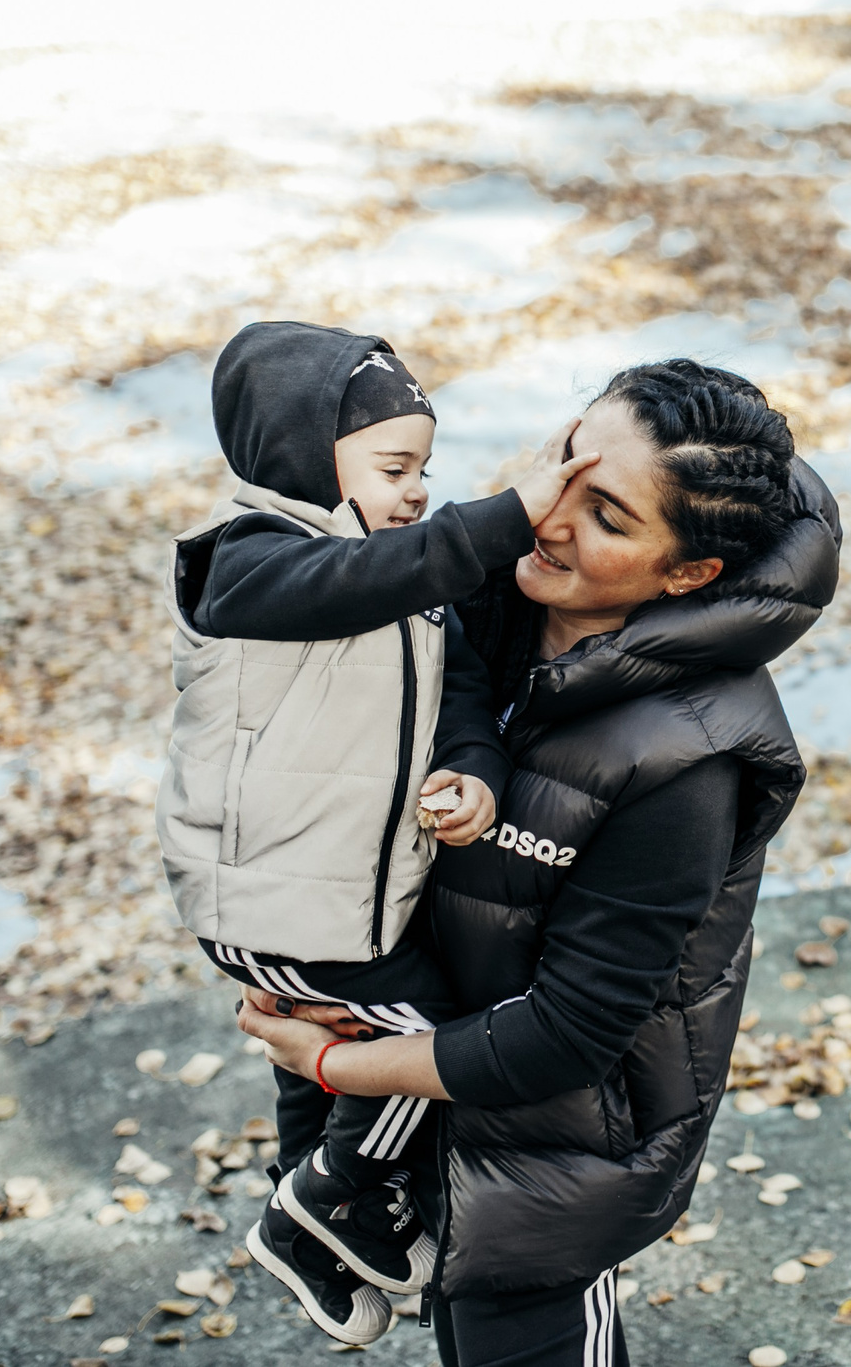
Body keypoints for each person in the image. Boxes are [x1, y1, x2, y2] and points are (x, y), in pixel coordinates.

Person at [236, 358, 840, 1367]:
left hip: (555, 1153)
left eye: (606, 514)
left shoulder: (688, 760)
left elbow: (570, 1037)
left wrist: (336, 1062)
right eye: (564, 457)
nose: (550, 513)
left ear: (686, 574)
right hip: (404, 1088)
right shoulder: (464, 593)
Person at [160, 321, 599, 1345]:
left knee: (356, 1030)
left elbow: (466, 703)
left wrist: (473, 780)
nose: (414, 490)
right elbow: (348, 584)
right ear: (304, 461)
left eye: (426, 471)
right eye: (393, 466)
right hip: (265, 892)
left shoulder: (413, 587)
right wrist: (501, 517)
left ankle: (308, 1203)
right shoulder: (245, 562)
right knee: (425, 1034)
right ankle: (332, 1198)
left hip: (347, 905)